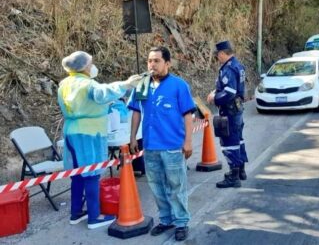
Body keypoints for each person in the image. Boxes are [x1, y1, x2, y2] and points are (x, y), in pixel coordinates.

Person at [57, 51, 142, 229]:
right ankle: (94, 217)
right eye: (90, 64)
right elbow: (103, 92)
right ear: (84, 66)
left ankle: (76, 213)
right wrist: (126, 84)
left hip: (71, 131)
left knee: (77, 174)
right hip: (90, 133)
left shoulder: (65, 83)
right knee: (92, 174)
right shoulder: (87, 84)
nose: (92, 66)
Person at [128, 46, 195, 242]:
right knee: (156, 186)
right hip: (150, 147)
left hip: (173, 146)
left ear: (167, 63)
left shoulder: (179, 85)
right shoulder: (142, 85)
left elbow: (188, 115)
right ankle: (166, 220)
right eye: (150, 61)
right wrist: (133, 137)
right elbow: (136, 112)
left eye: (156, 61)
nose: (152, 64)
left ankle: (181, 222)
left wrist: (188, 142)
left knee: (176, 186)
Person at [207, 40, 248, 188]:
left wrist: (214, 97)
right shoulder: (238, 65)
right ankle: (241, 170)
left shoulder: (229, 69)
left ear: (223, 53)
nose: (217, 57)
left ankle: (234, 175)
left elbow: (229, 92)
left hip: (229, 111)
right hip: (237, 110)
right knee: (238, 140)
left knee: (229, 142)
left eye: (218, 54)